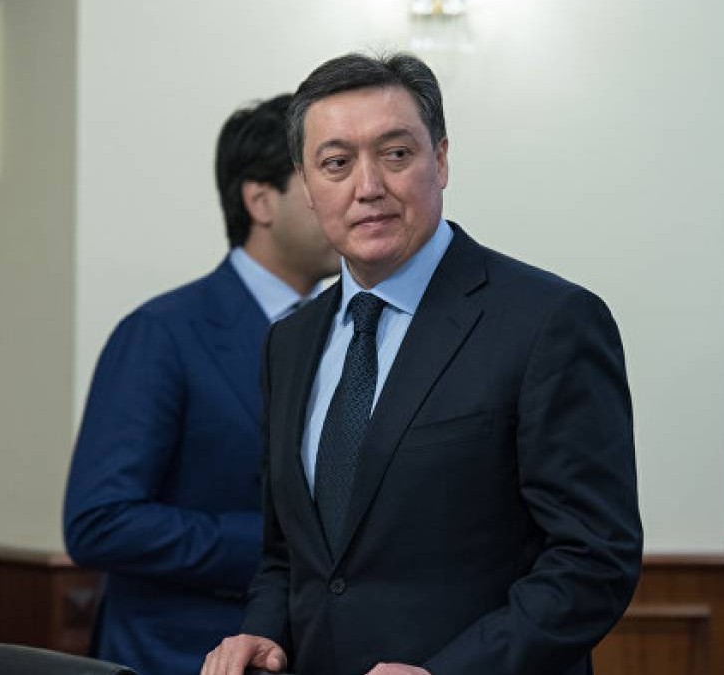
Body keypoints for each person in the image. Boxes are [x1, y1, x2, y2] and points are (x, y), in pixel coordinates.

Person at [202, 53, 642, 675]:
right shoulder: (289, 342)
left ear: (440, 159)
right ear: (307, 184)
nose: (368, 187)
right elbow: (288, 556)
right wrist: (263, 632)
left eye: (396, 154)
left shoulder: (549, 321)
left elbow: (594, 559)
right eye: (336, 163)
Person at [64, 93, 340, 675]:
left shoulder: (345, 330)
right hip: (181, 651)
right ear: (260, 200)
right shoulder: (163, 332)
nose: (347, 195)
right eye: (324, 173)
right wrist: (281, 547)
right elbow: (100, 522)